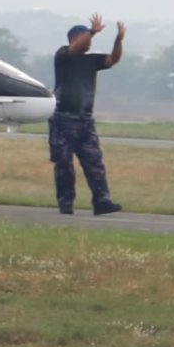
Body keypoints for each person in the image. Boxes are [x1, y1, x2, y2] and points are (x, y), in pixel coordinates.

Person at [49, 15, 124, 216]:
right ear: (75, 38)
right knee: (64, 164)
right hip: (63, 118)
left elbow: (113, 59)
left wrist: (118, 40)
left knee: (94, 162)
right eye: (85, 38)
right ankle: (66, 204)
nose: (89, 42)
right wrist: (92, 32)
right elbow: (75, 48)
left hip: (85, 120)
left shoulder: (92, 61)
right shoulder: (63, 55)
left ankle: (102, 201)